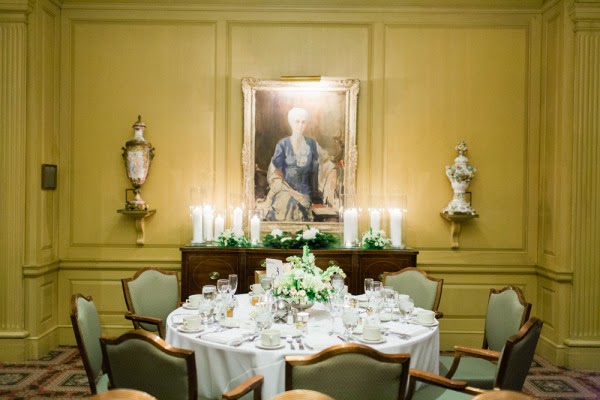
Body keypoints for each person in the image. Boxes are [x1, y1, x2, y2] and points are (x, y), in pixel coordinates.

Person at [262, 107, 321, 221]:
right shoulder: (282, 144)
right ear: (291, 123)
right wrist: (291, 192)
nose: (300, 125)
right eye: (297, 121)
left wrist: (314, 196)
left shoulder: (312, 144)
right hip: (284, 191)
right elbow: (276, 175)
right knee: (289, 203)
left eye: (303, 122)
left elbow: (316, 172)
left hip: (305, 194)